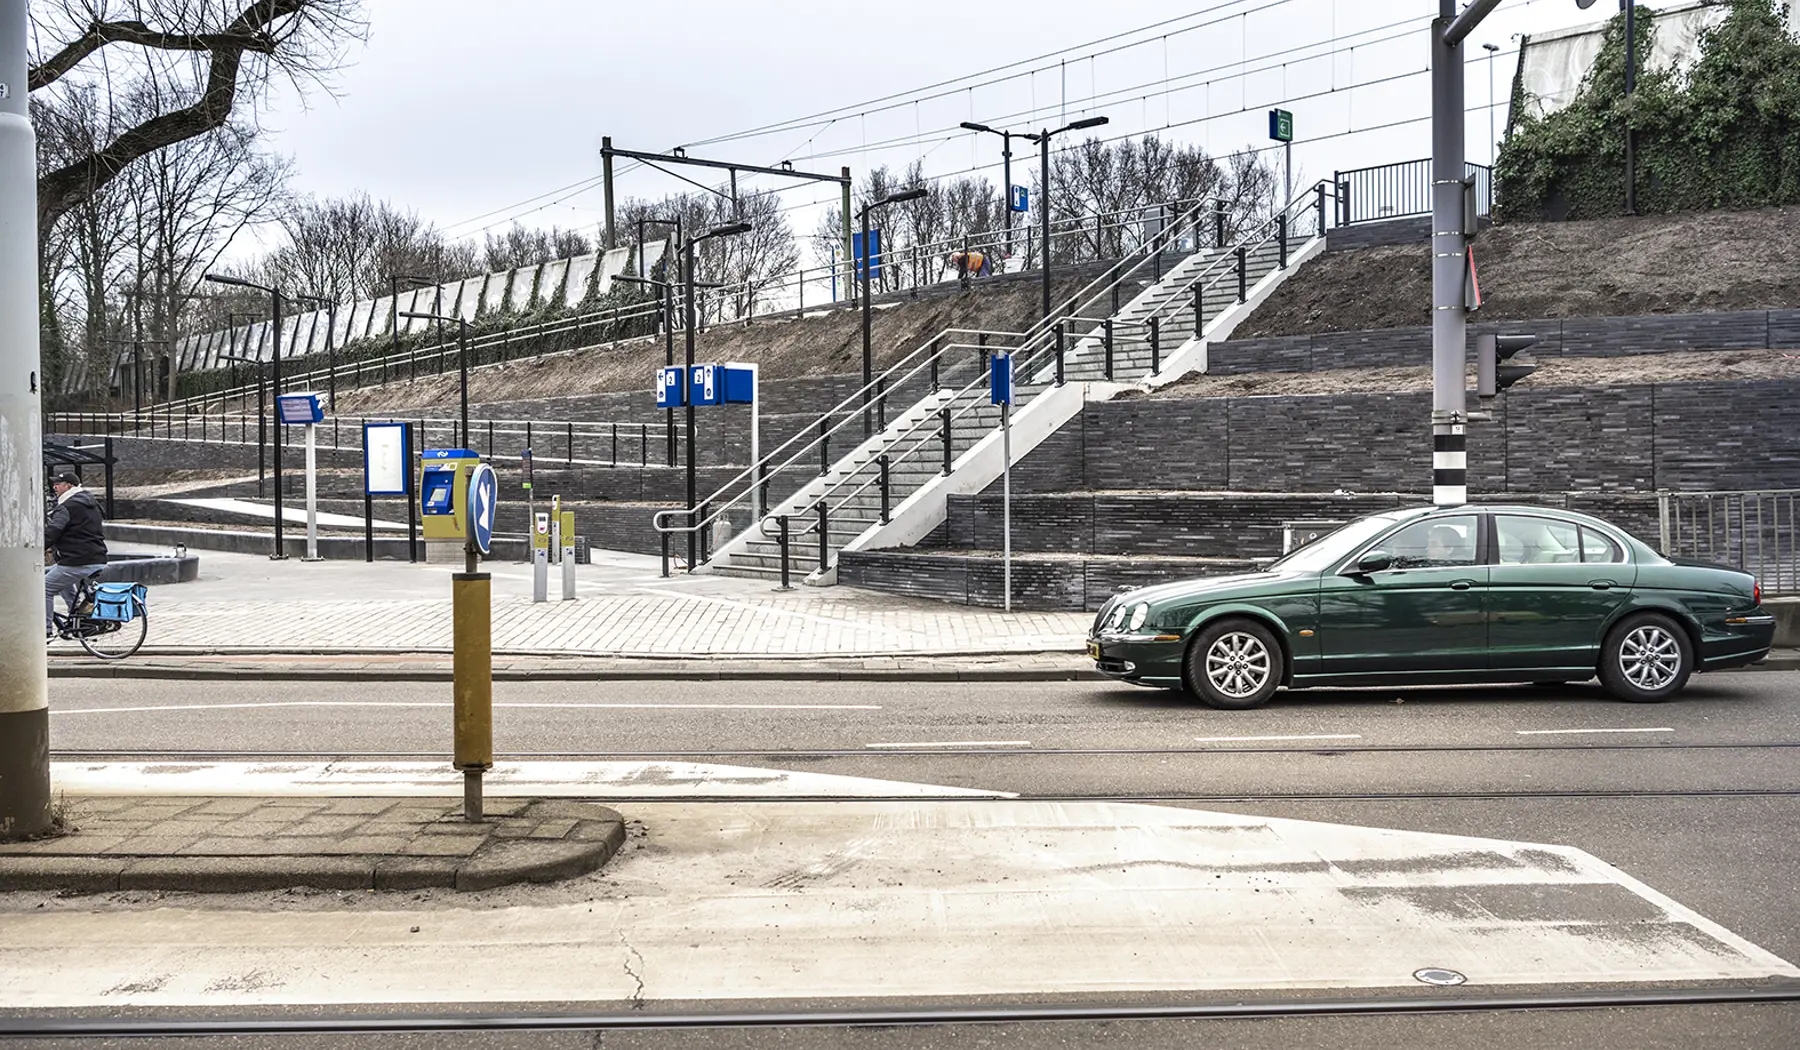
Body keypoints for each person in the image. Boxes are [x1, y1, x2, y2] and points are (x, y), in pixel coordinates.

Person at [45, 470, 108, 640]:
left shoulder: (67, 506)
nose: (54, 487)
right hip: (95, 557)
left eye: (58, 484)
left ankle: (45, 631)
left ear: (69, 486)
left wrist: (40, 547)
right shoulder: (90, 503)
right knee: (59, 574)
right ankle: (78, 618)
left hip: (79, 560)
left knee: (44, 588)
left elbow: (54, 530)